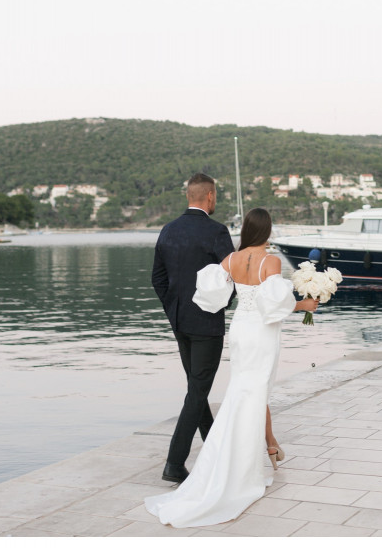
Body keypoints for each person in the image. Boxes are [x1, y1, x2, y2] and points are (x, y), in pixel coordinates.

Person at [145, 207, 318, 528]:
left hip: (240, 329)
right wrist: (305, 304)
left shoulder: (232, 259)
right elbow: (274, 306)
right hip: (262, 333)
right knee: (256, 391)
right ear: (267, 231)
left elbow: (211, 291)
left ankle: (266, 447)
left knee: (245, 390)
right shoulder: (271, 261)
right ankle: (245, 467)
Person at [151, 173, 235, 484]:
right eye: (216, 196)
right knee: (198, 390)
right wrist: (220, 304)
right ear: (210, 196)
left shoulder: (168, 229)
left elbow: (158, 279)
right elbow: (233, 277)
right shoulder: (217, 231)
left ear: (189, 195)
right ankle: (174, 463)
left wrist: (173, 310)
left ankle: (213, 446)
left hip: (179, 322)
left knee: (196, 388)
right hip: (206, 323)